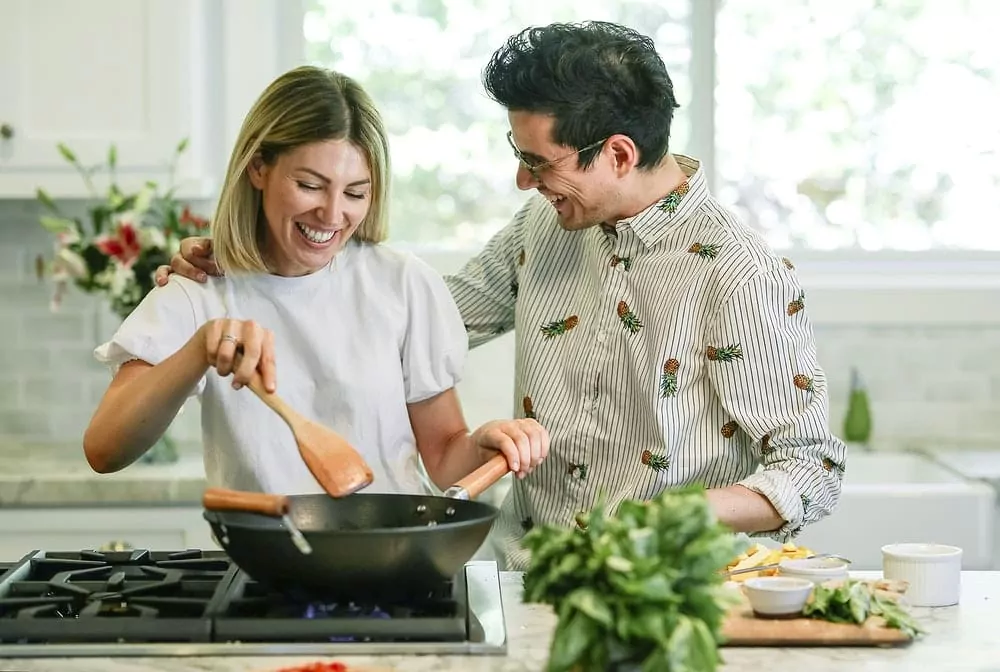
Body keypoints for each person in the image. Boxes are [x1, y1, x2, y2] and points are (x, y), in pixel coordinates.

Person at [155, 21, 846, 571]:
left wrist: (669, 515)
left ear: (618, 154)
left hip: (666, 595)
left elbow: (811, 468)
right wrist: (254, 266)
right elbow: (404, 317)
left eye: (538, 163)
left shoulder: (740, 272)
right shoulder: (543, 227)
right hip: (528, 578)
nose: (523, 182)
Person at [85, 65, 548, 502]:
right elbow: (104, 450)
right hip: (265, 568)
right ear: (259, 168)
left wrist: (485, 441)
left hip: (394, 567)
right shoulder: (200, 287)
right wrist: (199, 349)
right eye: (309, 185)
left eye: (354, 193)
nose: (331, 215)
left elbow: (446, 457)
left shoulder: (402, 284)